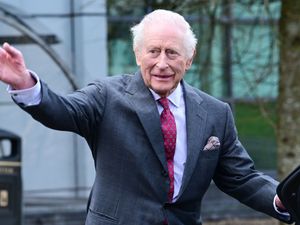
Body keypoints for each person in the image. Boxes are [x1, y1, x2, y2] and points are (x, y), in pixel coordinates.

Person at [0, 9, 293, 225]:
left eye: (172, 53)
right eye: (153, 51)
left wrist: (279, 199)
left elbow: (241, 177)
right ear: (138, 54)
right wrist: (25, 84)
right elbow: (62, 111)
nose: (162, 63)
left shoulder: (216, 113)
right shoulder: (107, 96)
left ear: (189, 59)